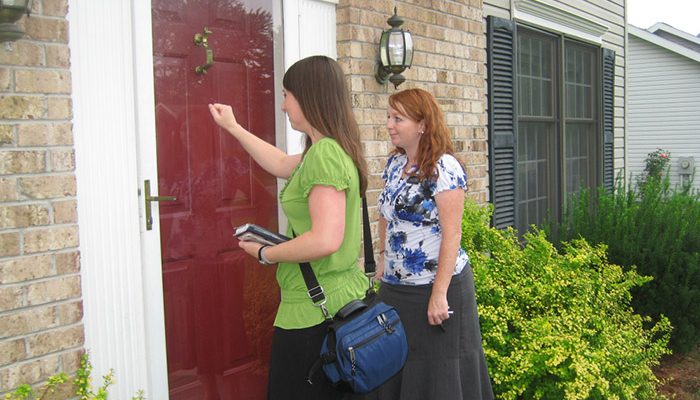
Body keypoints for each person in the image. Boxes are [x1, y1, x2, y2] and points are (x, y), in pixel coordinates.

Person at [208, 55, 369, 400]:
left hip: (316, 310)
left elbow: (325, 239)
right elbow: (281, 163)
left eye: (286, 95)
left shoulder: (325, 154)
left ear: (308, 97)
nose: (282, 106)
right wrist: (234, 127)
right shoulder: (327, 150)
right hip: (337, 297)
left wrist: (266, 252)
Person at [371, 88, 494, 399]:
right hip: (397, 291)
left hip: (437, 289)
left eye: (398, 118)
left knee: (440, 375)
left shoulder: (444, 168)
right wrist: (383, 256)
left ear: (422, 124)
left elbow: (452, 234)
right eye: (389, 116)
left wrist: (439, 295)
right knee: (397, 365)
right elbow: (386, 214)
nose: (389, 124)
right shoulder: (395, 165)